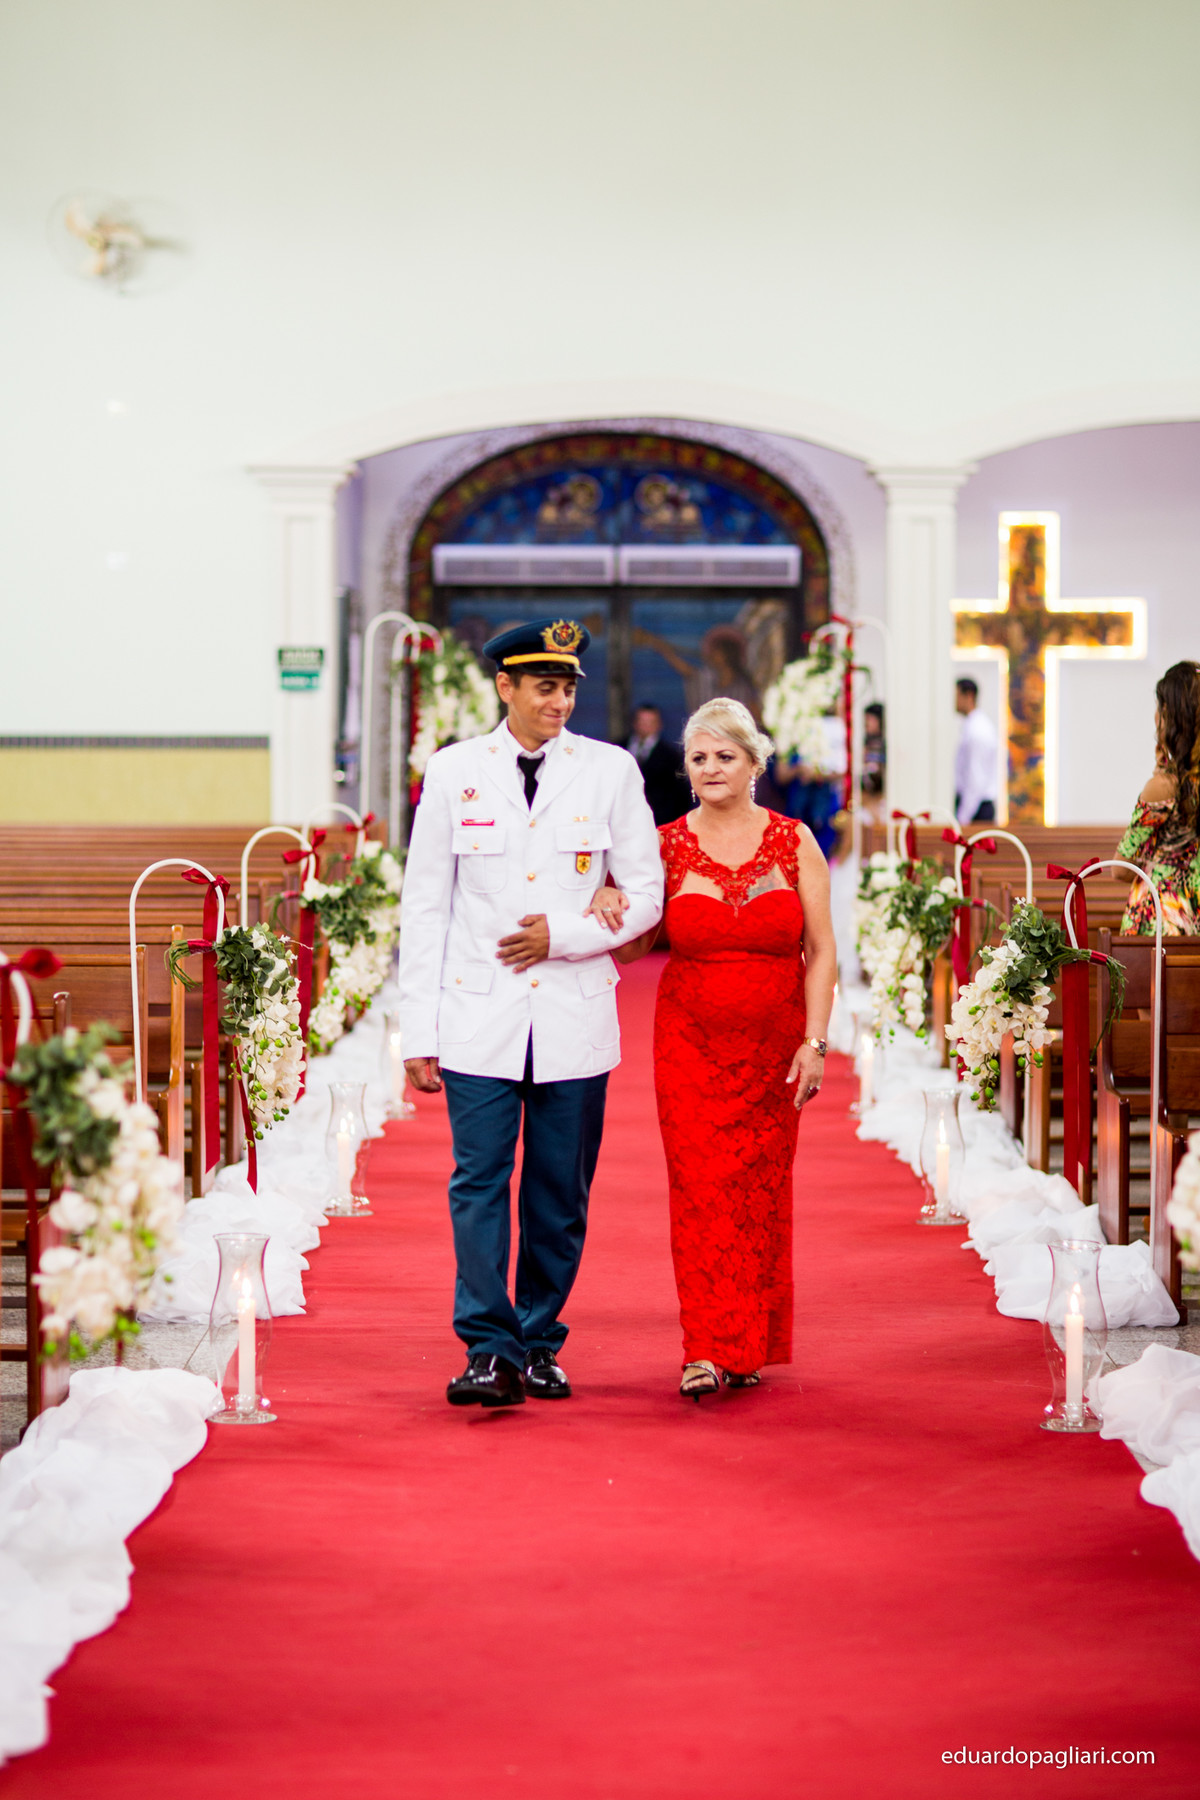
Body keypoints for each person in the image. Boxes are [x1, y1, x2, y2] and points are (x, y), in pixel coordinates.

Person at [397, 616, 664, 1408]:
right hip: (477, 1016)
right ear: (505, 687)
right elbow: (425, 909)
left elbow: (645, 894)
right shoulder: (452, 773)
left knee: (558, 1193)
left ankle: (540, 1341)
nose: (560, 700)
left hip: (575, 1019)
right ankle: (488, 1348)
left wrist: (566, 935)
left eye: (569, 686)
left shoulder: (610, 771)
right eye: (544, 686)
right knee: (478, 1183)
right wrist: (420, 1031)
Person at [590, 697, 837, 1400]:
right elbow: (638, 944)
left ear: (754, 763)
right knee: (700, 1191)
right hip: (690, 1043)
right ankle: (704, 1346)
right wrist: (607, 906)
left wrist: (814, 1042)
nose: (710, 768)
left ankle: (747, 1341)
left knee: (758, 1193)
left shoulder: (795, 842)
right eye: (698, 757)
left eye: (725, 756)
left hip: (773, 1043)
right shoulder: (666, 846)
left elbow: (821, 953)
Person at [1117, 660, 1200, 935]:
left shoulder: (1163, 787)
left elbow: (1121, 868)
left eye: (1159, 707)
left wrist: (1156, 861)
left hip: (1163, 922)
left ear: (1171, 716)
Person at [626, 702, 688, 825]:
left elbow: (681, 796)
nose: (646, 726)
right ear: (634, 723)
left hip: (658, 822)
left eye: (650, 722)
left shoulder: (670, 756)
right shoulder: (619, 747)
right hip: (625, 818)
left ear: (659, 725)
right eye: (642, 721)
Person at [954, 677, 999, 824]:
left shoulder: (978, 730)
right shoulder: (972, 726)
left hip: (977, 808)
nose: (953, 701)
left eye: (956, 696)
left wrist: (963, 817)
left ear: (969, 696)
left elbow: (976, 777)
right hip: (974, 805)